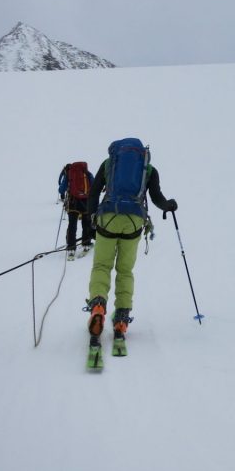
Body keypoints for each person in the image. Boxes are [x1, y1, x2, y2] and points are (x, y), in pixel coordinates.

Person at [85, 138, 177, 354]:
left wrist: (90, 223)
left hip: (107, 218)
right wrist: (168, 205)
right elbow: (156, 198)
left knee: (101, 267)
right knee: (125, 271)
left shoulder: (109, 164)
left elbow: (94, 192)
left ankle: (98, 305)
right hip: (134, 222)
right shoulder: (148, 168)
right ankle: (121, 319)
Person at [57, 161, 95, 259]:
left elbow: (61, 189)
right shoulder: (87, 173)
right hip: (86, 203)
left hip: (73, 203)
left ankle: (71, 248)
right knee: (86, 224)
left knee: (72, 225)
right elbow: (94, 186)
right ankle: (86, 244)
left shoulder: (70, 174)